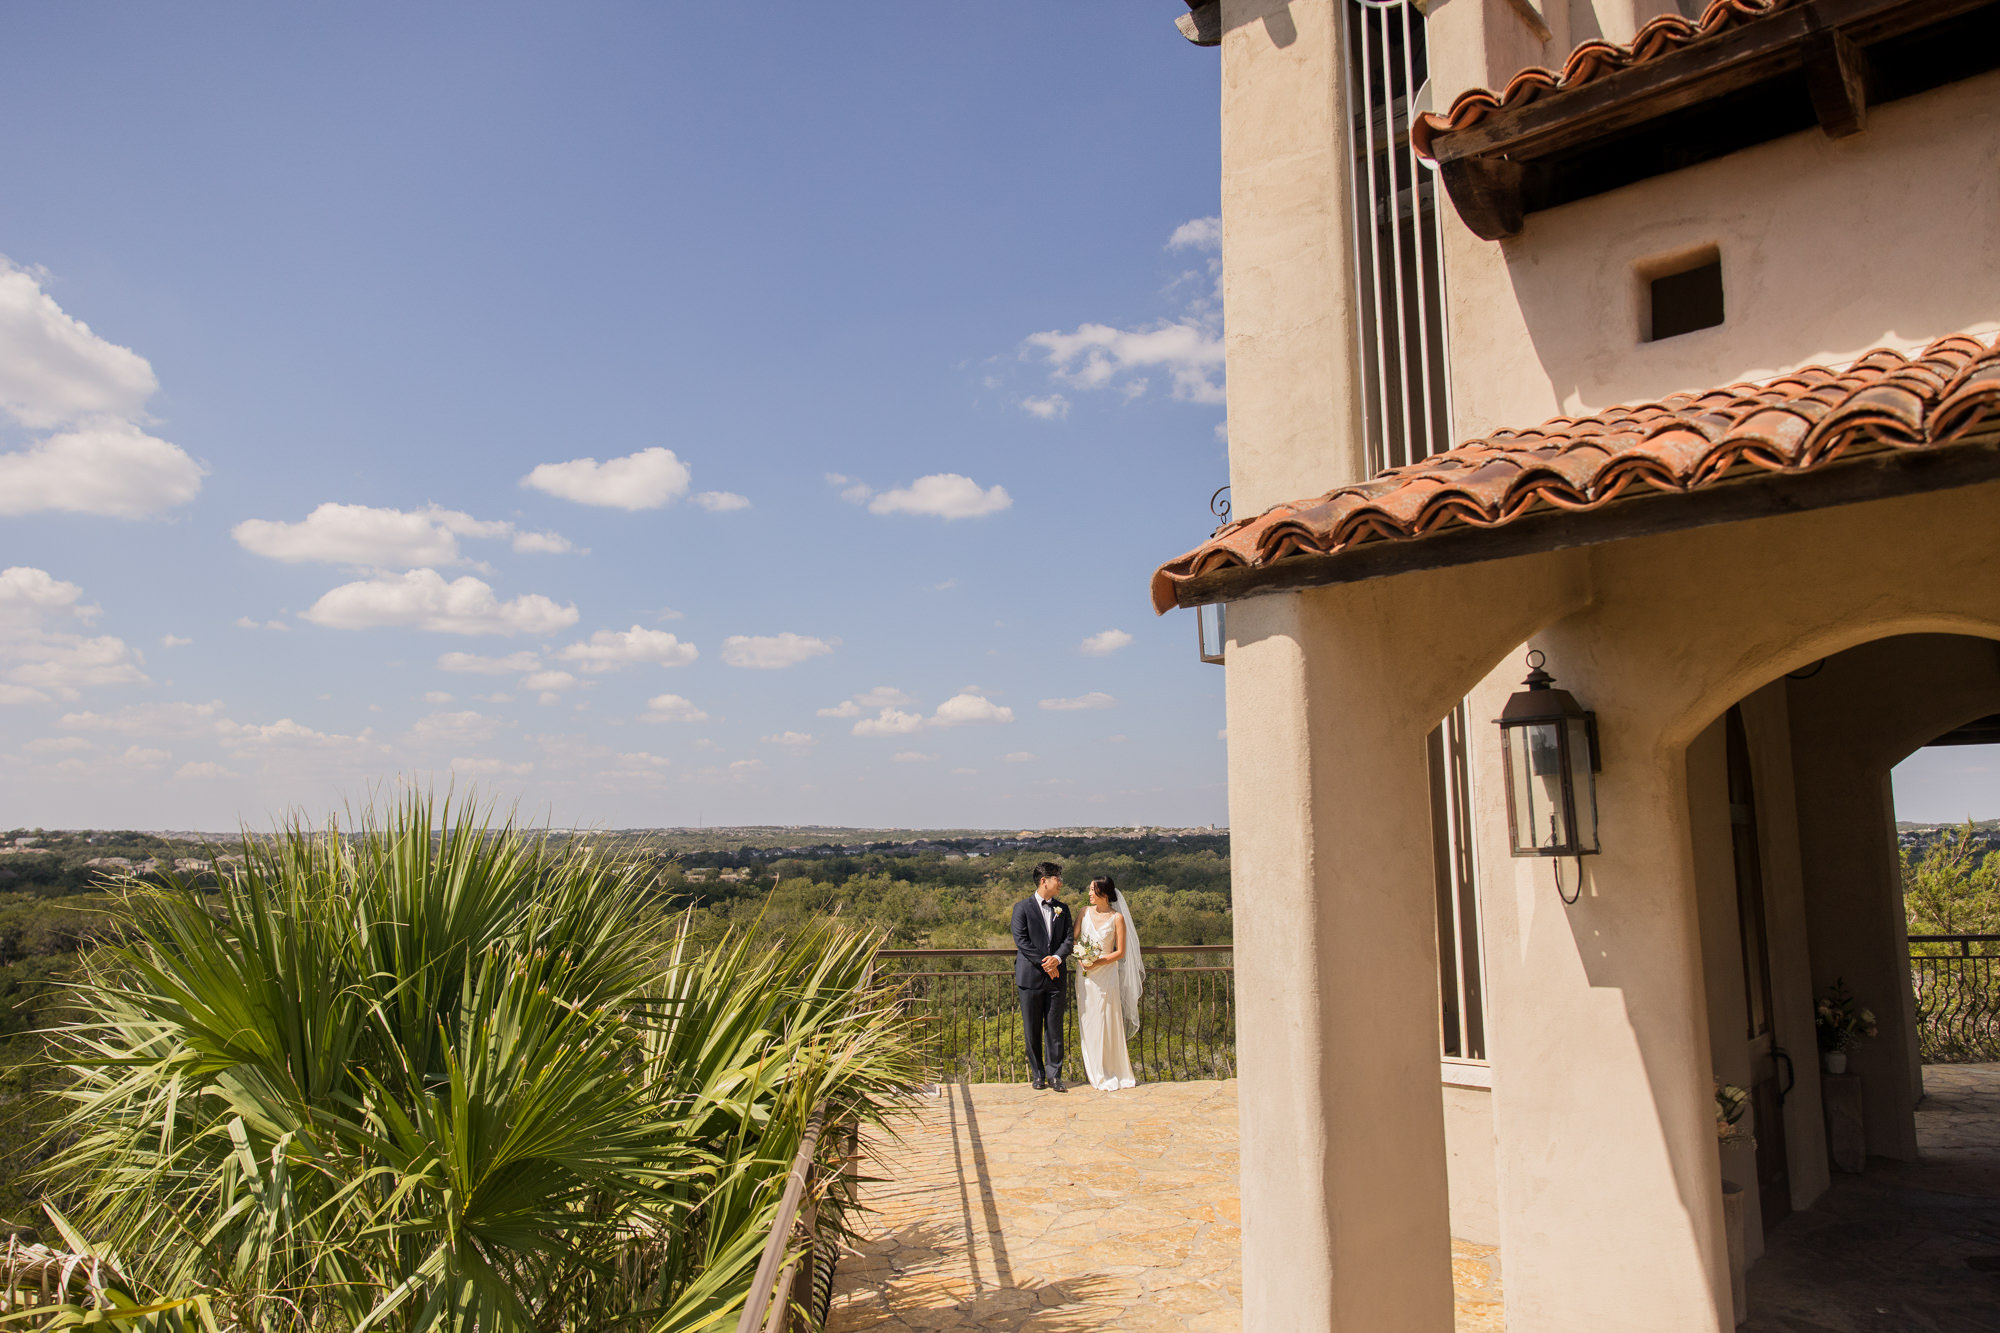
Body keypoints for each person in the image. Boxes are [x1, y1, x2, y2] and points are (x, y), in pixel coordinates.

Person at [1010, 860, 1072, 1091]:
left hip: (1056, 977)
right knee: (1032, 1029)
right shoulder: (1021, 908)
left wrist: (1057, 959)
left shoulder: (1063, 909)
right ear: (1044, 881)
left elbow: (1068, 940)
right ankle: (1038, 1074)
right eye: (1058, 878)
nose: (1061, 883)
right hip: (1030, 978)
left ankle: (1055, 1075)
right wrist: (1046, 963)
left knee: (1055, 1028)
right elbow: (1022, 941)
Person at [1078, 875, 1143, 1091]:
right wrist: (1081, 957)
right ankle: (1095, 1070)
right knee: (1089, 1020)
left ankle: (1111, 1069)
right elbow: (1073, 939)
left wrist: (1098, 961)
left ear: (1104, 893)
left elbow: (1121, 951)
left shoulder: (1117, 918)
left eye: (1092, 890)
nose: (1088, 894)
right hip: (1085, 976)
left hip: (1106, 975)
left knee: (1107, 1019)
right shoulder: (1083, 913)